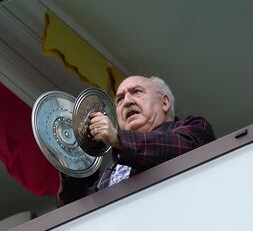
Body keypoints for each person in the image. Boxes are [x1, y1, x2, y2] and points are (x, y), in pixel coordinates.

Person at [57, 75, 216, 206]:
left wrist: (118, 139)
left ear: (165, 102)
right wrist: (74, 157)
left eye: (137, 92)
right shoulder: (112, 167)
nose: (127, 101)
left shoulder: (196, 127)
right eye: (119, 99)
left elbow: (178, 148)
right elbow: (76, 210)